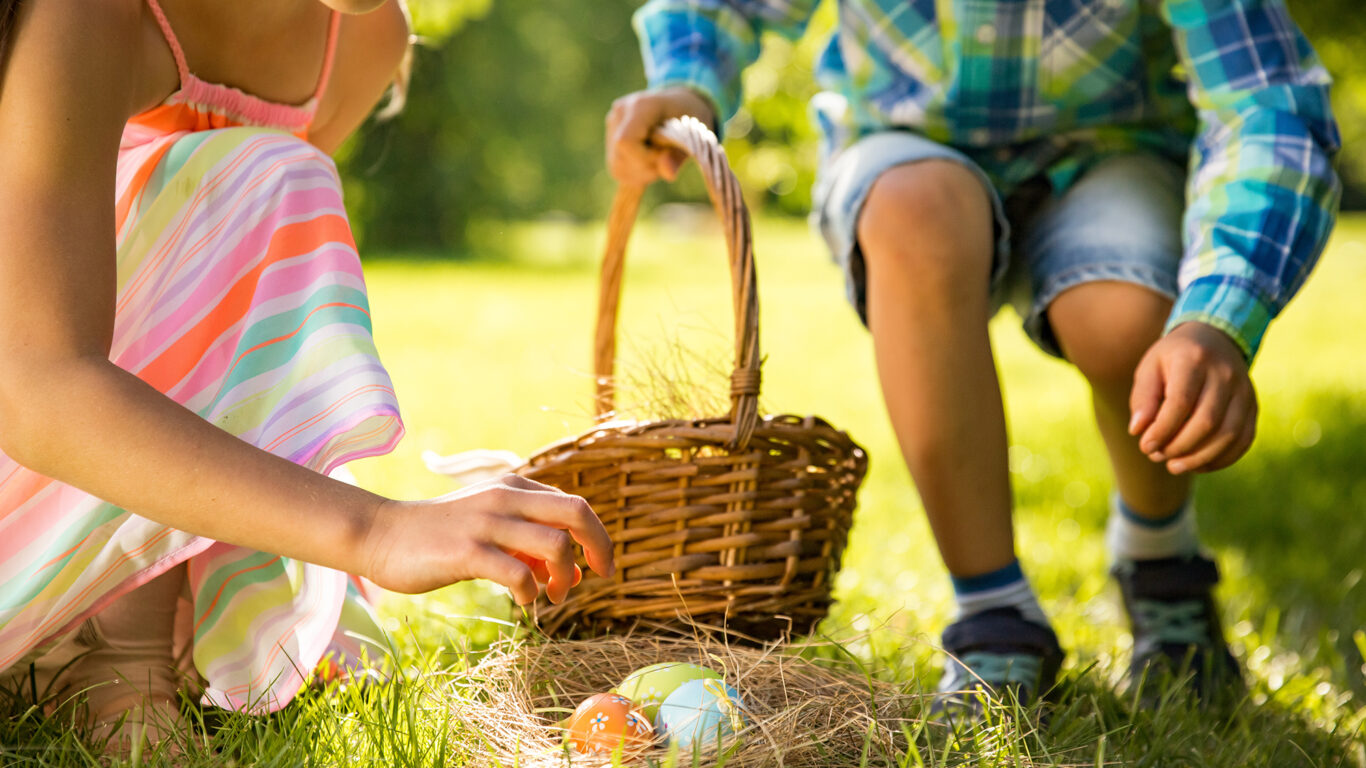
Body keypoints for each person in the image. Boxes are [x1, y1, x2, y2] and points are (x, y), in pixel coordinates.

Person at [606, 0, 1339, 718]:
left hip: (1111, 148)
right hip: (905, 149)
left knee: (1125, 318)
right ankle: (995, 614)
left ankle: (1161, 559)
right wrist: (689, 81)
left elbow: (1264, 100)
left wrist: (1217, 312)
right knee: (918, 208)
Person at [0, 0, 614, 751]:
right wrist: (378, 531)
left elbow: (242, 313)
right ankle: (108, 654)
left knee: (268, 182)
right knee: (269, 175)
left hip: (93, 463)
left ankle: (126, 626)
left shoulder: (362, 35)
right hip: (28, 422)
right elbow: (34, 381)